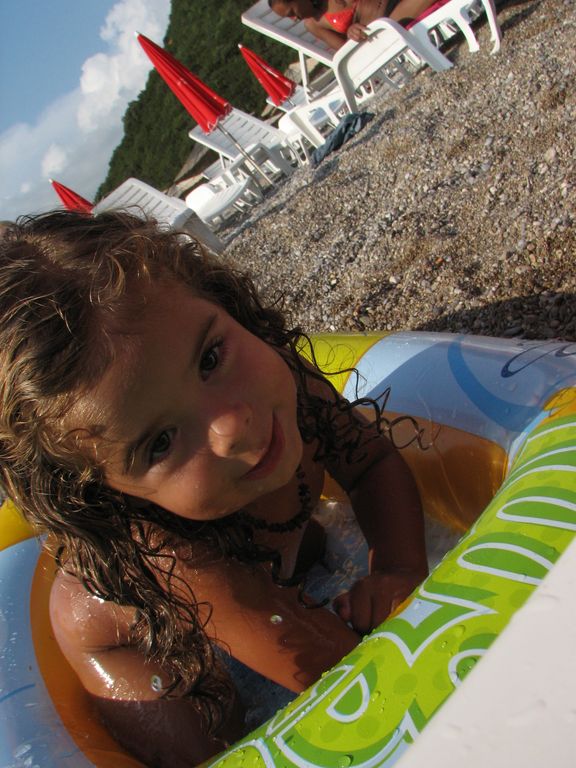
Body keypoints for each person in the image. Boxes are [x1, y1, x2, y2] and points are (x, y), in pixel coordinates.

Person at [0, 210, 427, 766]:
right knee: (217, 734)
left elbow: (371, 465)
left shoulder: (288, 383)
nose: (232, 423)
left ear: (223, 303)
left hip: (251, 552)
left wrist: (398, 569)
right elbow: (340, 675)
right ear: (109, 495)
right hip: (130, 641)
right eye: (160, 443)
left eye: (209, 358)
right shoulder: (172, 552)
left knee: (303, 555)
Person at [269, 0, 438, 50]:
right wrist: (351, 33)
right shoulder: (313, 24)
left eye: (291, 13)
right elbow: (349, 51)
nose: (294, 19)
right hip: (388, 26)